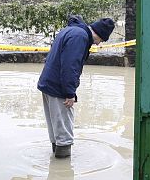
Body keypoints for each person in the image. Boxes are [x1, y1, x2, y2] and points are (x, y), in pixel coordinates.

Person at [37, 15, 115, 158]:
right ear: (98, 34)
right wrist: (69, 93)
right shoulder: (80, 37)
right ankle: (64, 172)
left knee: (56, 130)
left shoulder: (71, 30)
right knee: (64, 134)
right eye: (101, 40)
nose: (98, 44)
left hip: (48, 84)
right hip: (58, 88)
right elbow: (70, 66)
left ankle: (55, 169)